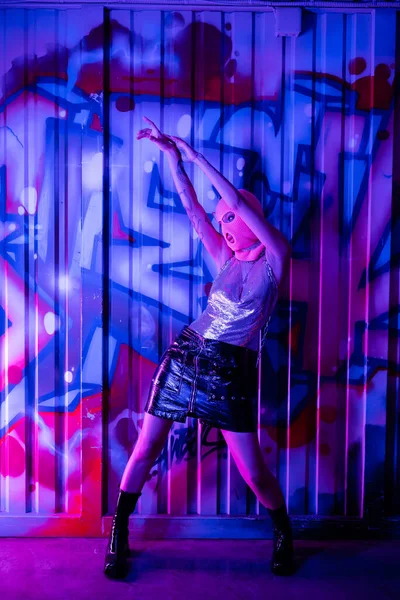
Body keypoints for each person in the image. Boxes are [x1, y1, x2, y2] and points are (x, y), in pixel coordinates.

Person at [104, 117, 293, 580]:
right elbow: (193, 209)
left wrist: (198, 156)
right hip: (186, 357)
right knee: (146, 447)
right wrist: (174, 160)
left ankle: (284, 532)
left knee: (254, 472)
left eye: (232, 220)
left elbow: (232, 203)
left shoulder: (275, 257)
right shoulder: (224, 259)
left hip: (231, 371)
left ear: (251, 219)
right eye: (223, 223)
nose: (225, 227)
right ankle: (118, 534)